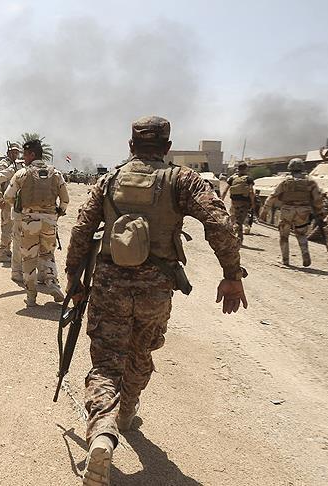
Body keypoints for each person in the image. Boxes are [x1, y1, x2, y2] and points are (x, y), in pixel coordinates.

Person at [64, 116, 247, 486]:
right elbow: (219, 224)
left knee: (105, 363)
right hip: (156, 288)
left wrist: (73, 277)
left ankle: (102, 434)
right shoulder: (182, 180)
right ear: (167, 147)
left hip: (110, 284)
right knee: (141, 351)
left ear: (131, 146)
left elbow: (82, 229)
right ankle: (126, 412)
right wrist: (231, 274)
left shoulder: (109, 180)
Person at [3, 139, 69, 307]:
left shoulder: (22, 174)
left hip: (29, 222)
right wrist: (57, 214)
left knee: (29, 258)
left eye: (25, 155)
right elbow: (65, 200)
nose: (23, 158)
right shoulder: (56, 173)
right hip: (49, 222)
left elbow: (8, 196)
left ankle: (31, 297)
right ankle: (52, 283)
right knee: (47, 254)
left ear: (32, 155)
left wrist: (20, 207)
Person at [259, 158, 323, 266]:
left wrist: (265, 210)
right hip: (303, 211)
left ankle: (285, 260)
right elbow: (317, 199)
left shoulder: (286, 181)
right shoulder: (310, 182)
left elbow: (273, 195)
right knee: (301, 234)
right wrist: (320, 212)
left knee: (284, 236)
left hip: (287, 210)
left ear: (290, 168)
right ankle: (305, 253)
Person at [221, 162, 256, 242]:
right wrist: (253, 203)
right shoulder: (248, 179)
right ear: (246, 169)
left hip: (234, 203)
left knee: (235, 219)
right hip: (244, 203)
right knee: (239, 222)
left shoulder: (232, 178)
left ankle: (235, 237)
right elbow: (251, 192)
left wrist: (221, 200)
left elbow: (225, 190)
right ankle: (237, 239)